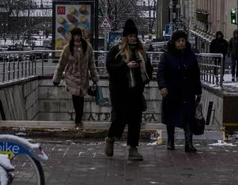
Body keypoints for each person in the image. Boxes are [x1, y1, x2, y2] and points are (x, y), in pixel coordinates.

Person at [104, 19, 153, 161]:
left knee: (135, 120)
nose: (133, 38)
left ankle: (133, 148)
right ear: (125, 37)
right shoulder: (116, 50)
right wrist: (126, 66)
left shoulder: (141, 52)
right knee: (120, 118)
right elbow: (111, 68)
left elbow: (149, 69)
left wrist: (143, 73)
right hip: (120, 91)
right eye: (130, 36)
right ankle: (110, 138)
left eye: (135, 36)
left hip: (136, 91)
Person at [157, 30, 203, 153]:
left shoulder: (190, 55)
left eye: (183, 40)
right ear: (174, 42)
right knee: (171, 117)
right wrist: (163, 86)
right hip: (172, 92)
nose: (181, 43)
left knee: (188, 117)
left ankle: (189, 143)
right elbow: (161, 73)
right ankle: (170, 141)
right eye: (178, 41)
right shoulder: (167, 56)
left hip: (188, 91)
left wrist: (198, 90)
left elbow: (196, 73)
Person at [52, 27, 99, 130]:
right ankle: (78, 120)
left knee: (80, 99)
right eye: (75, 36)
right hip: (72, 77)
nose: (77, 38)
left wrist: (95, 77)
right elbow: (61, 64)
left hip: (83, 78)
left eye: (78, 36)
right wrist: (56, 79)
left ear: (81, 36)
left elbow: (91, 63)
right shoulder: (68, 48)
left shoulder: (88, 47)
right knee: (76, 98)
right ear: (72, 37)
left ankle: (78, 119)